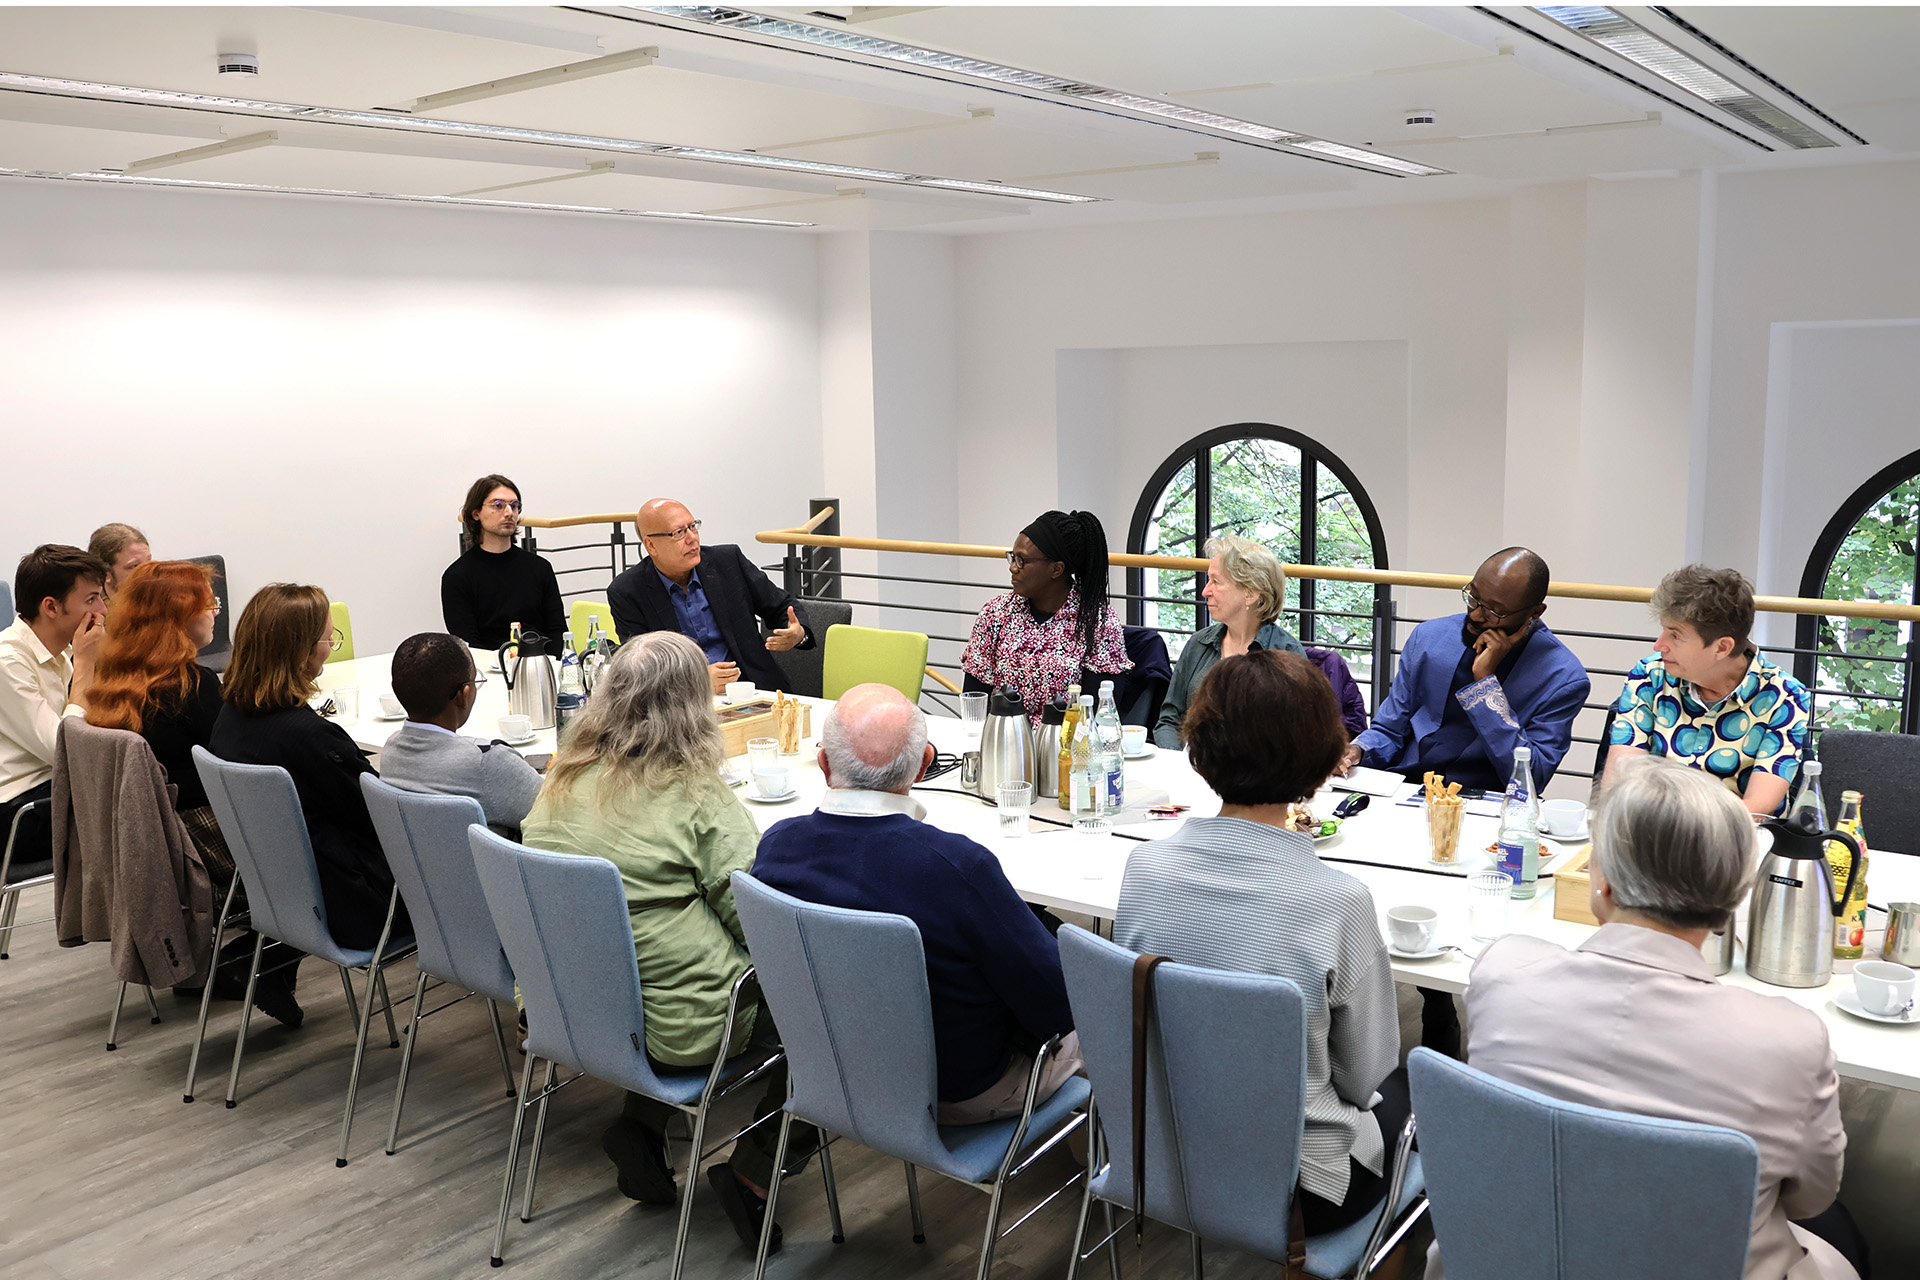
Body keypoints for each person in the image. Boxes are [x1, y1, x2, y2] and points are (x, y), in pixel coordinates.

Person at [1432, 755, 1865, 1280]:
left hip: (1505, 1257)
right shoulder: (1791, 1040)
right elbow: (1811, 1199)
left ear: (1605, 884)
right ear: (1734, 897)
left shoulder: (1504, 969)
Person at [519, 630, 810, 1250]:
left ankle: (642, 1126)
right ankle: (754, 1173)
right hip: (684, 1025)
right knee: (828, 1019)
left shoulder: (559, 777)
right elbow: (757, 918)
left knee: (654, 963)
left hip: (575, 1005)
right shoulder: (695, 793)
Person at [1116, 649, 1404, 1236]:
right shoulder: (1338, 900)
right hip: (1301, 1186)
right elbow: (1365, 1076)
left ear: (1199, 746)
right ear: (1323, 758)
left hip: (1165, 1146)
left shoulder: (1143, 868)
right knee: (1415, 1089)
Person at [753, 683, 1081, 1124]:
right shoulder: (957, 867)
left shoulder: (776, 847)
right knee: (1113, 1007)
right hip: (961, 1089)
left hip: (836, 1072)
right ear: (926, 764)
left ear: (824, 763)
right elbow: (1058, 1003)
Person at [211, 584, 410, 1027]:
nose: (329, 651)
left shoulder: (229, 718)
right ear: (303, 653)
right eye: (327, 640)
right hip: (359, 908)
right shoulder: (312, 738)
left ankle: (266, 958)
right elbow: (383, 821)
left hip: (284, 897)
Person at [1342, 547, 1589, 793]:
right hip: (1407, 787)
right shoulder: (1430, 638)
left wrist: (1485, 686)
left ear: (1534, 613)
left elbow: (1530, 778)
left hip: (1485, 802)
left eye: (1495, 610)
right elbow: (1389, 729)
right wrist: (1358, 750)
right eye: (1473, 596)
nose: (1476, 615)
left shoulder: (1563, 678)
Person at [1603, 565, 1809, 817]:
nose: (1659, 645)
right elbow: (1618, 779)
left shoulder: (1784, 696)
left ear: (1722, 647)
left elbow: (1759, 806)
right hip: (1651, 835)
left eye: (1675, 635)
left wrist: (1688, 837)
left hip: (1735, 843)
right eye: (1664, 630)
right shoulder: (1650, 676)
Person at [83, 560, 233, 885]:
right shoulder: (190, 685)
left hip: (154, 847)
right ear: (179, 616)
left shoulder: (117, 678)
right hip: (205, 845)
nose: (216, 613)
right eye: (209, 604)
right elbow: (239, 760)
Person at [606, 498, 814, 695]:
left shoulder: (728, 562)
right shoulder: (627, 592)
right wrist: (696, 680)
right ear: (651, 545)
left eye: (693, 526)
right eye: (678, 532)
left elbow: (781, 606)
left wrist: (798, 633)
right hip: (682, 705)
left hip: (753, 690)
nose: (692, 538)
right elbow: (641, 668)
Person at [960, 509, 1130, 721]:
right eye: (1012, 558)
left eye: (1022, 560)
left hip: (1065, 749)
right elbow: (975, 703)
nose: (1013, 568)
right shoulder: (995, 614)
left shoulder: (1098, 623)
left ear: (1056, 569)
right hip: (1002, 743)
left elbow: (1097, 715)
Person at [1, 546, 107, 875]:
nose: (102, 610)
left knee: (150, 787)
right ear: (51, 606)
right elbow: (66, 750)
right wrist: (87, 666)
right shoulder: (9, 662)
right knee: (141, 806)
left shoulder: (61, 654)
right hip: (18, 814)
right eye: (91, 599)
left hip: (51, 793)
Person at [377, 632, 541, 836]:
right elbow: (560, 811)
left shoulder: (391, 753)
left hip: (419, 867)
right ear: (464, 695)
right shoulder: (487, 762)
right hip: (491, 868)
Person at [1151, 535, 1305, 748]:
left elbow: (1297, 740)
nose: (1205, 591)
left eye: (1216, 581)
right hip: (1188, 771)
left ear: (1250, 594)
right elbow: (1169, 720)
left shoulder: (1287, 655)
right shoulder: (1199, 643)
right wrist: (1178, 766)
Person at [440, 474, 565, 657]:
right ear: (476, 514)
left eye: (515, 506)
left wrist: (553, 666)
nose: (509, 513)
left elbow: (557, 630)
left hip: (540, 665)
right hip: (489, 671)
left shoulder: (540, 567)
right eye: (498, 505)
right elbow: (468, 643)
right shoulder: (457, 576)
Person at [87, 523, 150, 599]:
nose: (148, 573)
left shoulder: (160, 605)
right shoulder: (93, 609)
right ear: (105, 574)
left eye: (149, 562)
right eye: (134, 566)